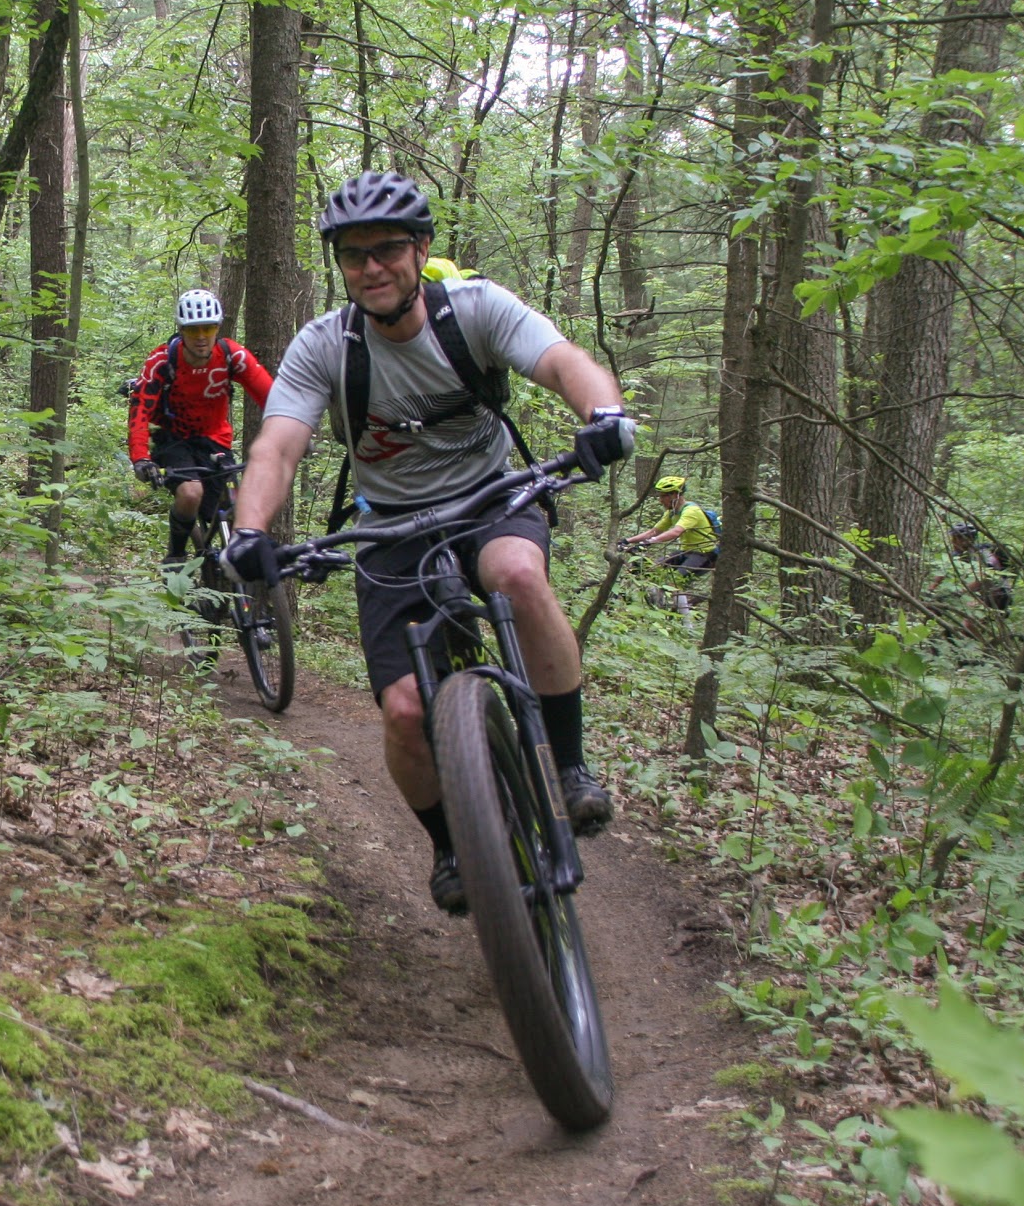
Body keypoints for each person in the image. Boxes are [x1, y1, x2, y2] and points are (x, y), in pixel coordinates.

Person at [218, 171, 636, 916]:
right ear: (339, 265)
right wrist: (250, 530)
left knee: (515, 571)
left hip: (490, 500)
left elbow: (563, 360)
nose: (371, 267)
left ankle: (569, 768)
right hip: (390, 528)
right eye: (353, 256)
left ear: (421, 250)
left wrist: (603, 413)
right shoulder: (325, 347)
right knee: (408, 711)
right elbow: (276, 448)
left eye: (386, 250)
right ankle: (452, 842)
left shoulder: (474, 309)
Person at [126, 290, 274, 564]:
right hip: (174, 438)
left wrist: (291, 434)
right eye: (194, 330)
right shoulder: (162, 361)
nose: (202, 336)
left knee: (235, 506)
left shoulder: (232, 355)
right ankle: (177, 555)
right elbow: (140, 411)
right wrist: (140, 458)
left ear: (218, 327)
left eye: (208, 328)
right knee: (190, 493)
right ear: (182, 330)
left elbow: (270, 395)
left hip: (215, 438)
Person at [623, 476, 717, 571]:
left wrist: (650, 542)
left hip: (704, 554)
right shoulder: (672, 512)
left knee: (677, 579)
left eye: (663, 496)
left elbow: (676, 531)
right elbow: (653, 532)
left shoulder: (691, 511)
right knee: (653, 569)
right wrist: (626, 541)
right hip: (686, 552)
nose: (660, 500)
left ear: (675, 495)